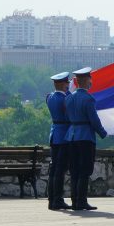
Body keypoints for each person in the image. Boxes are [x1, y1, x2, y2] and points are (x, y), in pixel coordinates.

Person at [65, 67, 107, 211]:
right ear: (86, 81)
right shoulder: (88, 99)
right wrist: (102, 133)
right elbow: (94, 120)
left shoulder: (69, 98)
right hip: (85, 137)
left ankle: (74, 200)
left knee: (74, 170)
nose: (91, 82)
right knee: (85, 170)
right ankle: (81, 200)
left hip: (71, 136)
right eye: (90, 79)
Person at [46, 71, 72, 210]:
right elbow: (68, 115)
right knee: (60, 170)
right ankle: (57, 199)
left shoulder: (50, 97)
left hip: (54, 134)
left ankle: (52, 199)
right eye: (67, 83)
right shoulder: (65, 99)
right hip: (63, 136)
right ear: (62, 84)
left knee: (54, 169)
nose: (68, 85)